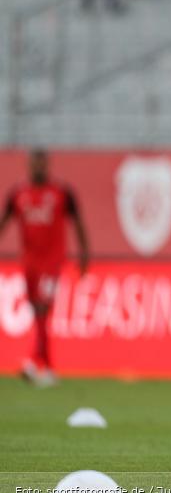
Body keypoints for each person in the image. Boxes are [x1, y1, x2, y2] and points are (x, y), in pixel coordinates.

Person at [0, 149, 89, 387]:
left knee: (42, 307)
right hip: (29, 262)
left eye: (41, 163)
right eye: (34, 163)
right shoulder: (18, 194)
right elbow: (4, 222)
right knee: (38, 313)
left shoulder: (61, 192)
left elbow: (78, 223)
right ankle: (48, 368)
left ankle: (32, 361)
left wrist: (84, 254)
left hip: (52, 261)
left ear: (47, 165)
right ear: (29, 165)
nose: (38, 167)